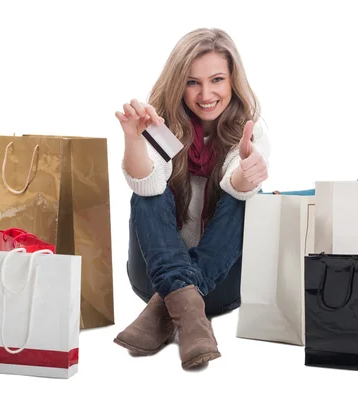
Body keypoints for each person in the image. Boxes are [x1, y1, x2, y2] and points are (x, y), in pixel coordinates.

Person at [113, 27, 270, 369]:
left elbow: (236, 180)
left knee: (242, 198)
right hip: (152, 273)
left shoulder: (250, 129)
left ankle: (167, 308)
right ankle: (186, 309)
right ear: (178, 83)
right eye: (192, 82)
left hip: (220, 282)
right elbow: (147, 185)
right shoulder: (159, 123)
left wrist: (246, 174)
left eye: (216, 80)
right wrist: (134, 140)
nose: (206, 94)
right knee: (147, 195)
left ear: (233, 81)